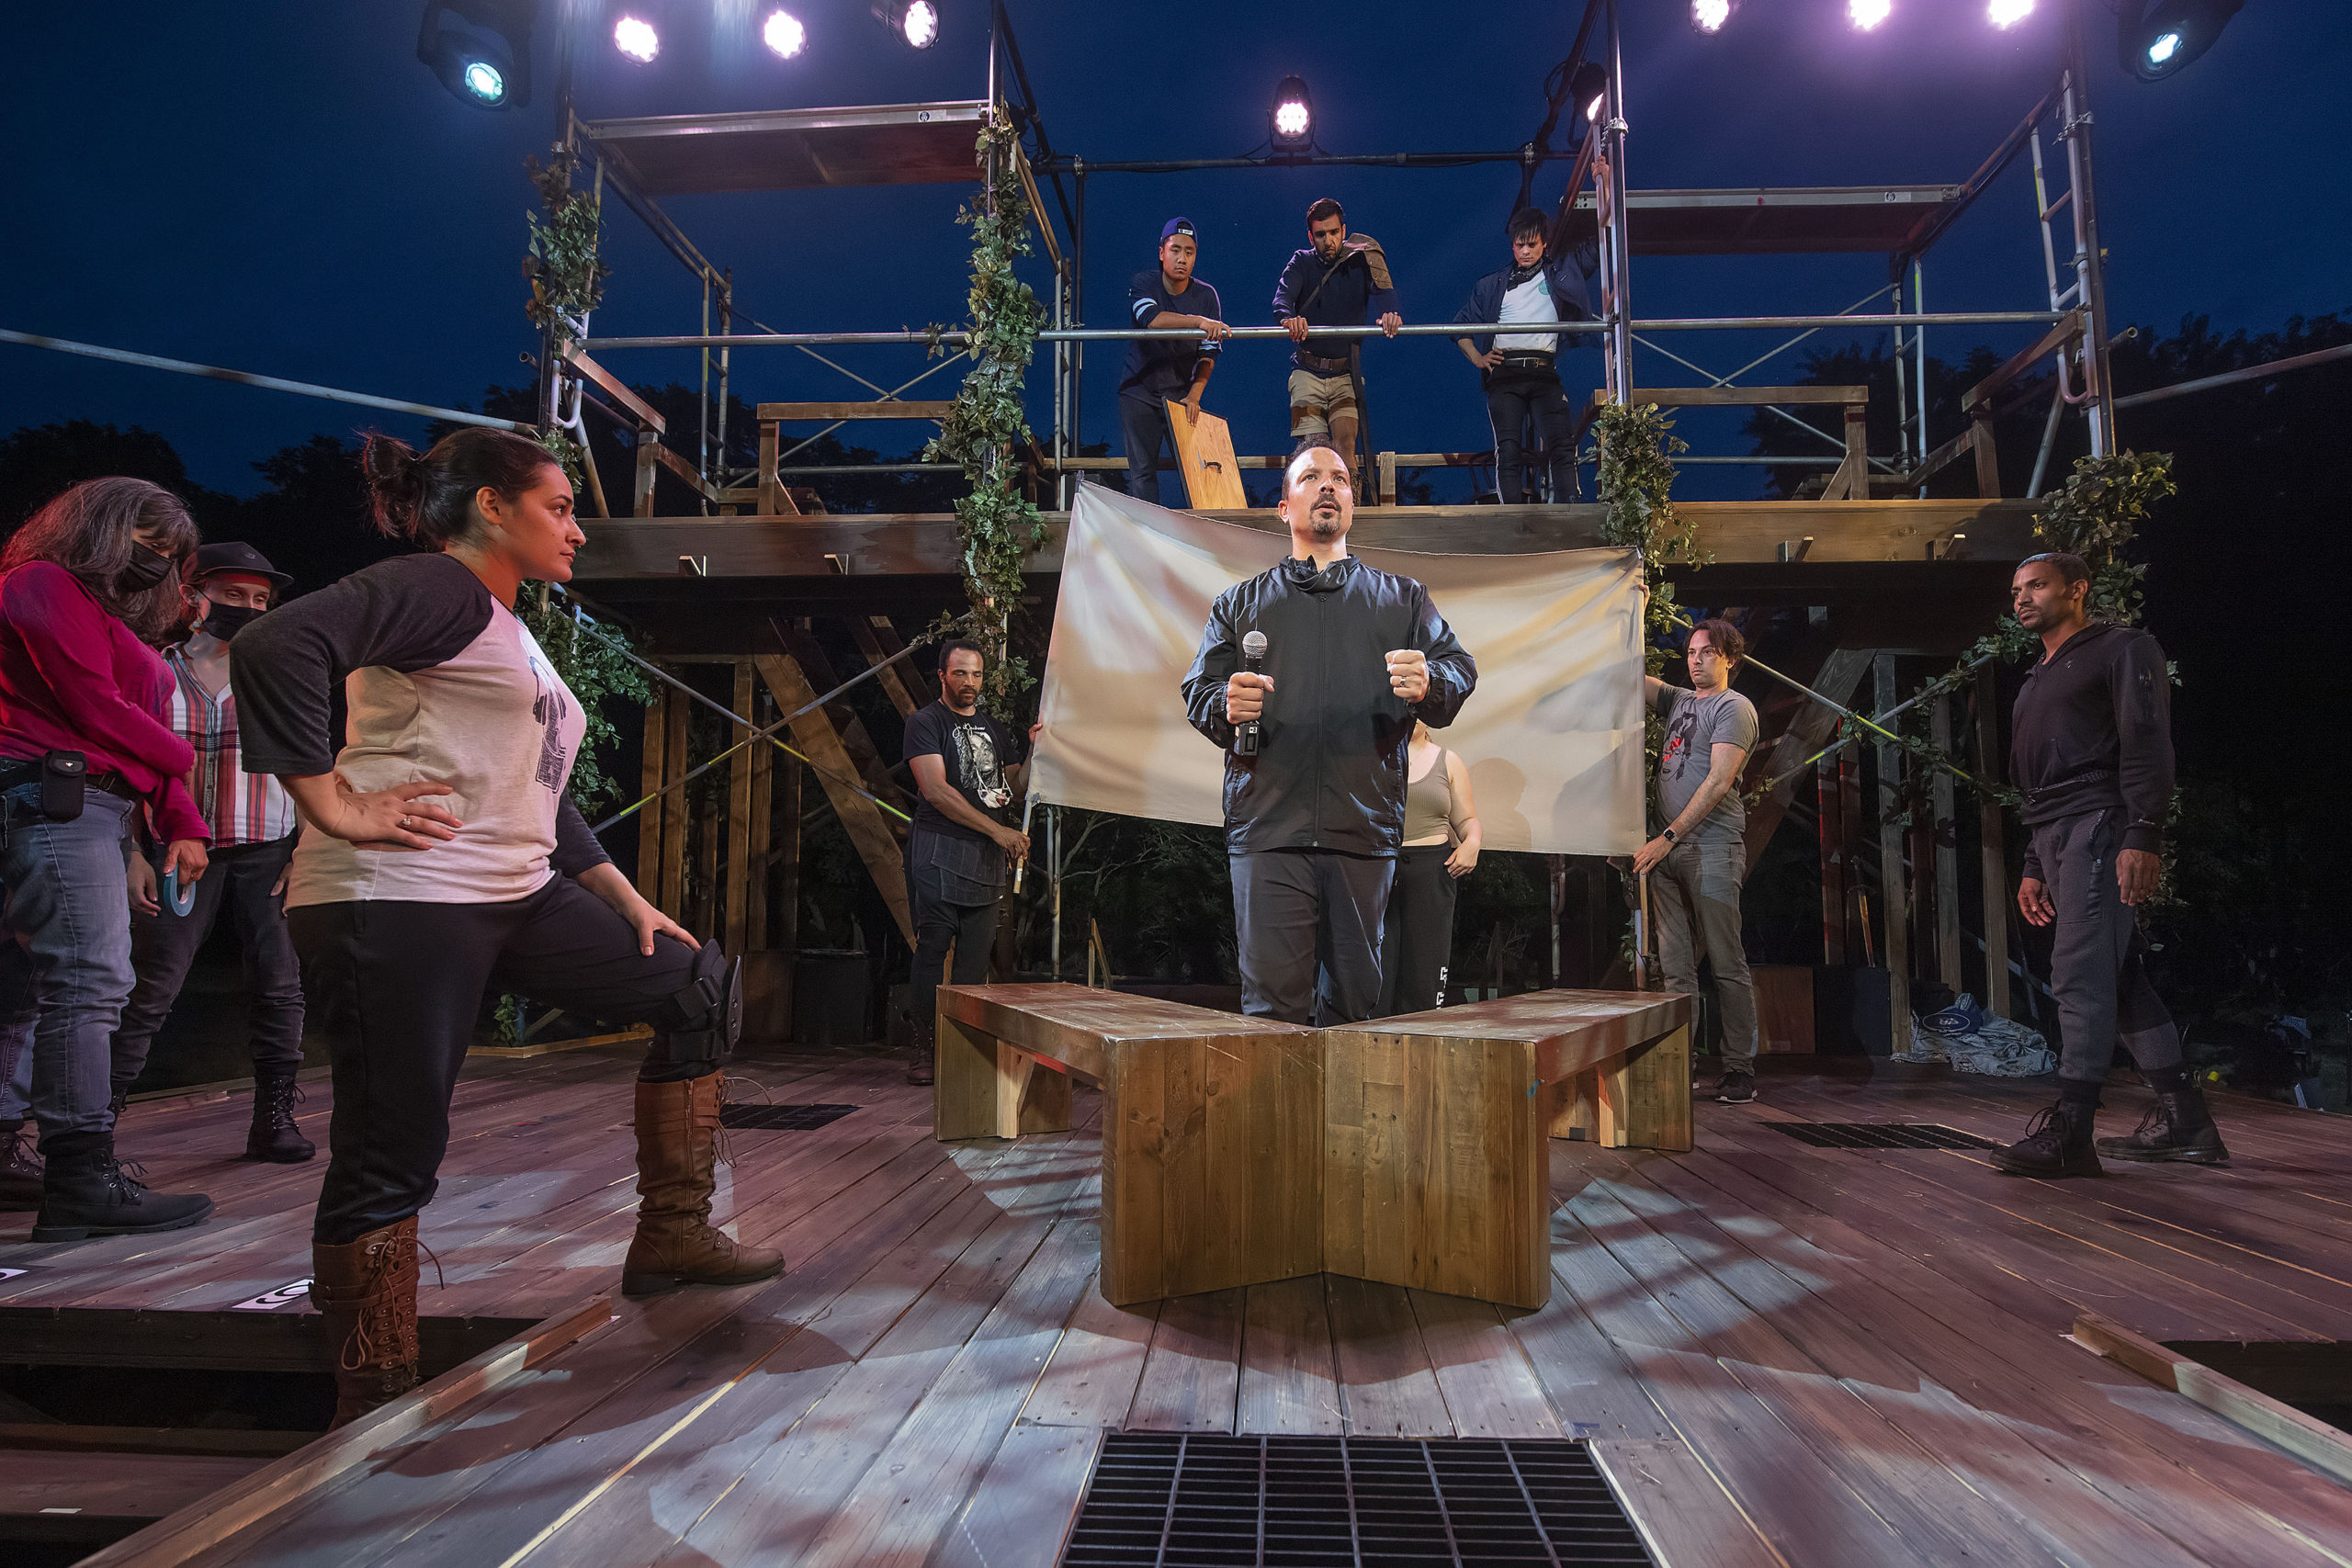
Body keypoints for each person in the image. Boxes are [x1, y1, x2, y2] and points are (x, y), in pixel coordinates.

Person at [232, 427, 779, 1426]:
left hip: (511, 887)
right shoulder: (438, 588)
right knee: (393, 1145)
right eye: (559, 507)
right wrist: (332, 804)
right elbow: (275, 642)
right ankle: (374, 1389)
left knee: (691, 984)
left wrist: (620, 893)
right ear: (493, 506)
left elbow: (535, 783)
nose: (576, 528)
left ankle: (671, 1237)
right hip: (397, 897)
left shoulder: (503, 625)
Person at [1182, 445, 1476, 1024]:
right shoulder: (1239, 604)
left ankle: (1349, 1120)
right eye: (1311, 477)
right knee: (1271, 1013)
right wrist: (1225, 703)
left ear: (1350, 503)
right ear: (1284, 506)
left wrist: (1430, 682)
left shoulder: (1403, 599)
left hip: (1362, 832)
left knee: (1355, 1008)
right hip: (1267, 830)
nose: (1327, 486)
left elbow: (1458, 668)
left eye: (1339, 479)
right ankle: (1274, 1120)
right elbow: (1200, 691)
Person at [0, 477, 216, 1241]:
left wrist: (181, 819)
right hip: (47, 796)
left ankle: (14, 1154)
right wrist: (181, 757)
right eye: (146, 546)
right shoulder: (39, 583)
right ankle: (80, 1178)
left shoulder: (118, 625)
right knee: (89, 979)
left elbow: (137, 734)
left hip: (92, 800)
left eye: (167, 556)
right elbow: (96, 707)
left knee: (29, 984)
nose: (154, 566)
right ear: (97, 527)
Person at [1989, 552, 2220, 1177]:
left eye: (2037, 585)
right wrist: (2035, 859)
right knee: (2116, 982)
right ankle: (2188, 1123)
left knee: (2079, 975)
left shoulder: (2122, 648)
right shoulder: (2037, 676)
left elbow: (2146, 740)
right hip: (2058, 830)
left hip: (2101, 822)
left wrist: (2142, 832)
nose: (2022, 598)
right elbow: (2039, 783)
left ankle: (2073, 1131)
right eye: (2016, 589)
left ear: (2077, 589)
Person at [107, 541, 311, 1162]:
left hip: (268, 846)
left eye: (258, 598)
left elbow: (312, 765)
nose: (247, 607)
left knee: (279, 983)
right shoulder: (153, 670)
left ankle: (274, 1118)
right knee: (150, 986)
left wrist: (309, 850)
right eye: (231, 595)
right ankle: (93, 1130)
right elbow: (121, 767)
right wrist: (130, 853)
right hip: (175, 849)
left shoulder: (278, 673)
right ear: (190, 596)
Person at [1631, 619, 1762, 1104]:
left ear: (1729, 658)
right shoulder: (1680, 700)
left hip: (1709, 844)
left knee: (1726, 961)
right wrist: (1633, 608)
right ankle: (1677, 1062)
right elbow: (1627, 675)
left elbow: (1718, 782)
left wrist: (1668, 835)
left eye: (1707, 653)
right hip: (1665, 848)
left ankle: (1738, 1069)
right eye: (1690, 652)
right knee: (1675, 964)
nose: (1695, 660)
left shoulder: (1734, 708)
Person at [901, 638, 1030, 1086]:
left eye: (975, 674)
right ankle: (925, 1047)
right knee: (934, 949)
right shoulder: (925, 722)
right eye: (960, 673)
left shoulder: (994, 728)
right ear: (943, 676)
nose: (969, 682)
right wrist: (998, 830)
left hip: (985, 857)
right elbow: (935, 790)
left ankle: (964, 1048)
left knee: (974, 964)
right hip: (940, 847)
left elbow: (1012, 786)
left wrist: (1034, 753)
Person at [1453, 208, 1597, 503]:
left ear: (1545, 243)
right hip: (1505, 373)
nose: (1525, 251)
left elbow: (1600, 243)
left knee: (1561, 442)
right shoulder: (1492, 284)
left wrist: (1604, 182)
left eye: (1532, 244)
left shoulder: (1561, 271)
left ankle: (1569, 509)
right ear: (1512, 245)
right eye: (1520, 245)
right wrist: (1478, 358)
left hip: (1543, 371)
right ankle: (1512, 519)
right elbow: (1459, 327)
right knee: (1508, 449)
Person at [1272, 198, 1403, 489]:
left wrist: (1390, 314)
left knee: (1346, 449)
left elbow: (1385, 292)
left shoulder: (1361, 257)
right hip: (1308, 372)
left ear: (1343, 230)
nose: (1328, 240)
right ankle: (1305, 520)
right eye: (1321, 235)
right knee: (1312, 449)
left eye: (1334, 232)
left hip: (1346, 375)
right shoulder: (1301, 262)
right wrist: (1289, 319)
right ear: (1311, 236)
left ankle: (1352, 522)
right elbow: (1282, 299)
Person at [1121, 218, 1231, 506]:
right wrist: (1199, 322)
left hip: (1180, 394)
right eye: (1175, 250)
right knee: (1142, 474)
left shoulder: (1206, 296)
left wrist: (1194, 396)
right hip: (1140, 391)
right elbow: (1152, 320)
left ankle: (1203, 540)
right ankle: (1147, 539)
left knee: (1197, 469)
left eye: (1189, 252)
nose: (1182, 258)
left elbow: (1209, 354)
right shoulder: (1144, 282)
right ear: (1162, 252)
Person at [1380, 720, 1480, 1016]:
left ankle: (1420, 1046)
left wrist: (1472, 842)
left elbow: (1467, 819)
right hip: (1377, 867)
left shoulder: (1447, 760)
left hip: (1431, 869)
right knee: (1374, 970)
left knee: (1425, 970)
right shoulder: (1367, 758)